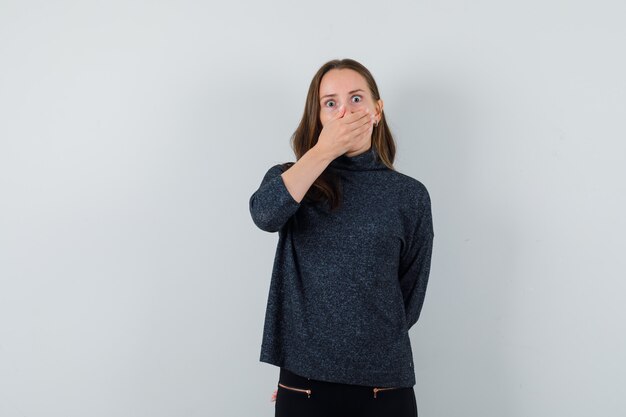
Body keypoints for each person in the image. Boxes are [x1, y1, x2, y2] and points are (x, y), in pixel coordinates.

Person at [249, 58, 434, 417]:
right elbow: (264, 215)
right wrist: (324, 151)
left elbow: (407, 298)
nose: (344, 112)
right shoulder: (293, 179)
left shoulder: (409, 195)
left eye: (356, 99)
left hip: (385, 384)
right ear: (318, 117)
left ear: (377, 110)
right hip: (304, 384)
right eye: (330, 103)